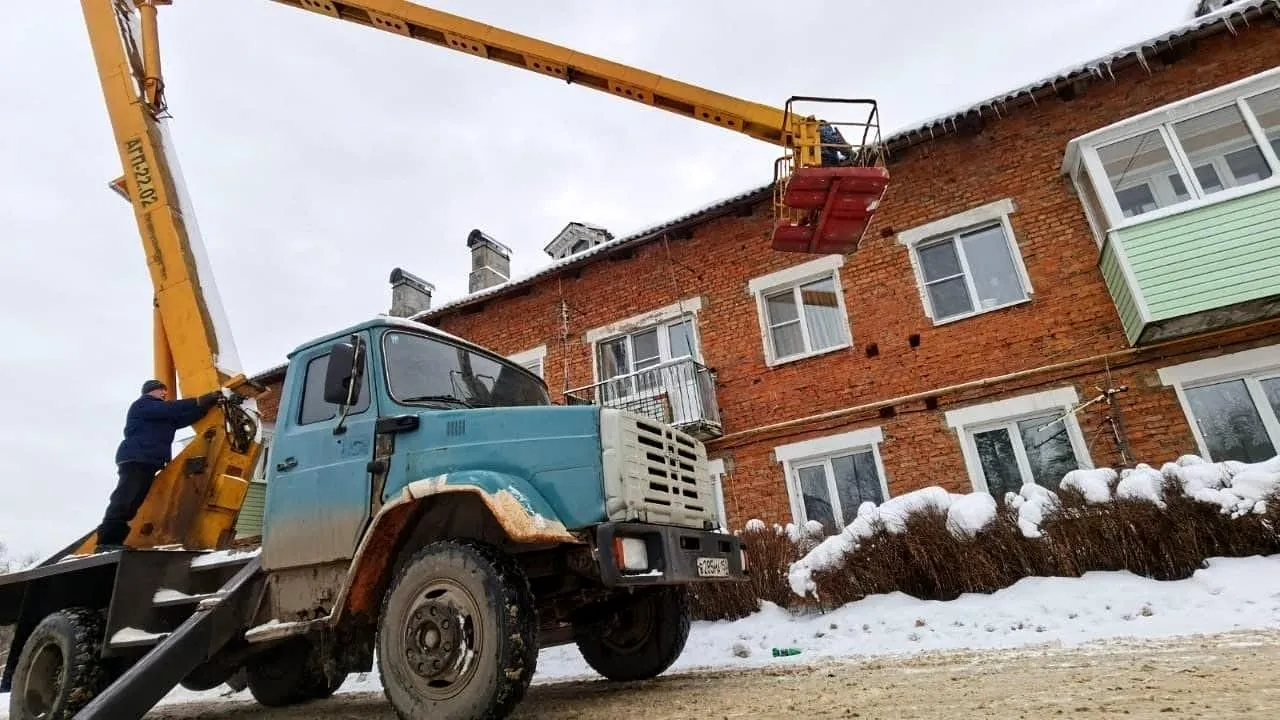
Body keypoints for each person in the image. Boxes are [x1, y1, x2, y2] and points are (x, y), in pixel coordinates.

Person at [94, 380, 222, 552]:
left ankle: (114, 541)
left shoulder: (161, 415)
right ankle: (106, 542)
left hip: (148, 461)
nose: (164, 393)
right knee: (125, 498)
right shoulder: (143, 405)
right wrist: (198, 400)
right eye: (160, 390)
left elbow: (182, 418)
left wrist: (204, 408)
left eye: (165, 391)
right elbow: (170, 408)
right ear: (149, 392)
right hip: (136, 458)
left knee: (133, 501)